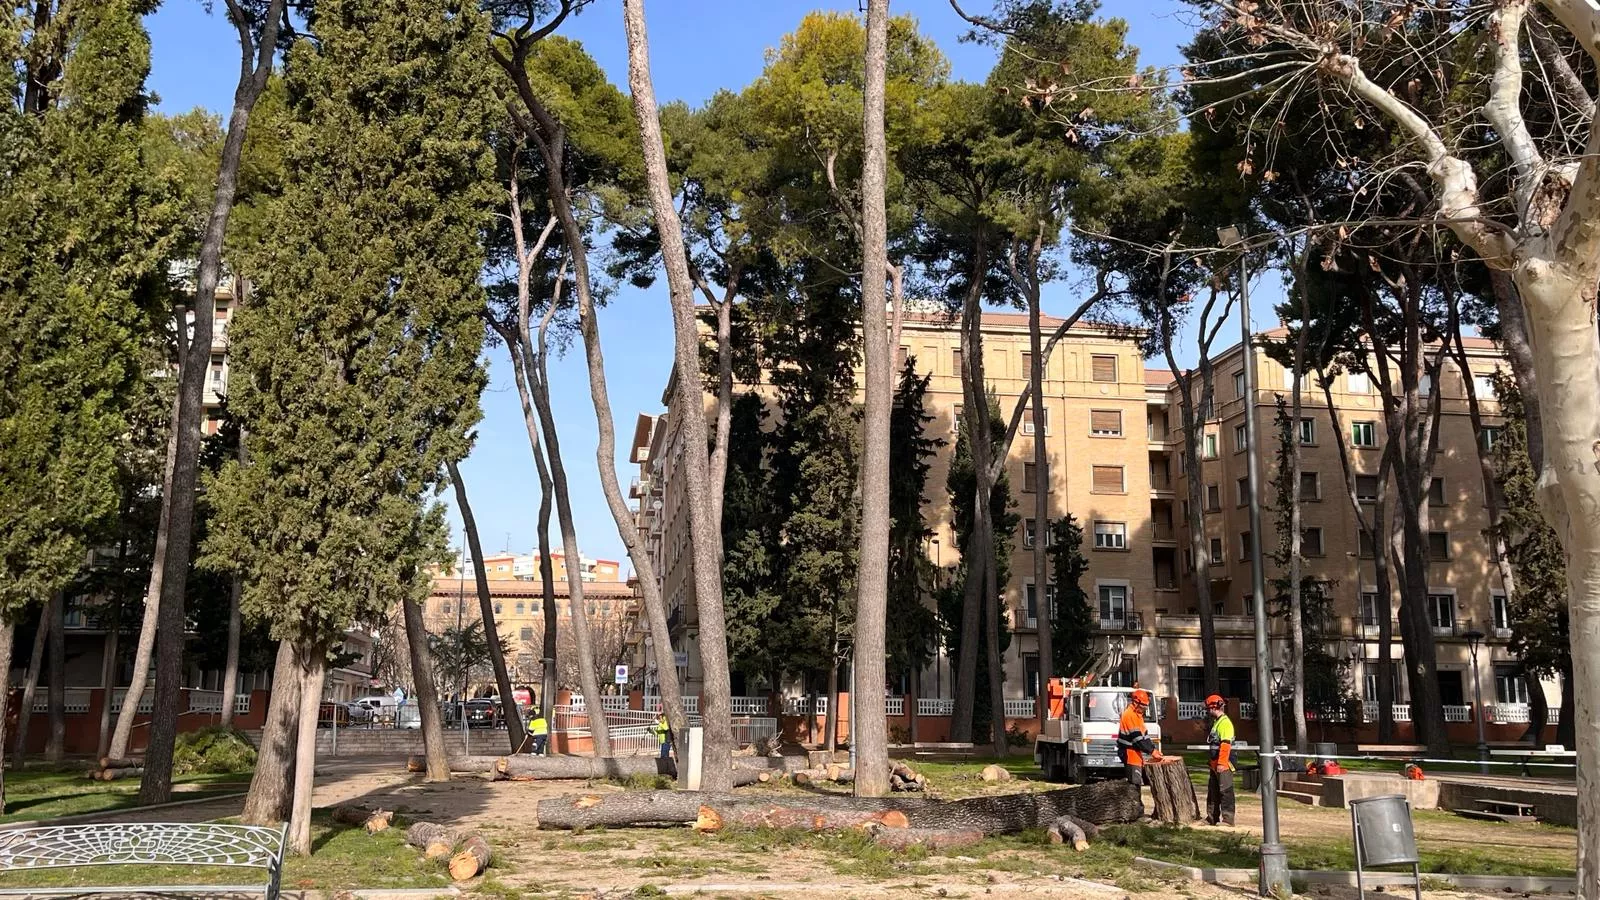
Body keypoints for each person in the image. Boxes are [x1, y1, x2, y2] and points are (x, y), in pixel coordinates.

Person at [1116, 689, 1161, 810]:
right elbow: (1137, 739)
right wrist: (1152, 752)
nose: (1144, 709)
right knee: (1134, 784)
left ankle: (1137, 810)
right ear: (1135, 702)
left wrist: (1153, 748)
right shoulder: (1129, 715)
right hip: (1129, 752)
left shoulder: (1137, 716)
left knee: (1137, 782)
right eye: (1143, 706)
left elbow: (1144, 736)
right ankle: (1135, 811)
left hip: (1135, 752)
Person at [1204, 694, 1236, 826]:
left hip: (1223, 763)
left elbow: (1225, 744)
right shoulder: (1217, 722)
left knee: (1225, 791)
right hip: (1215, 762)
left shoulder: (1225, 723)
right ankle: (1212, 818)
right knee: (1213, 791)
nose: (1207, 710)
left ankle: (1228, 820)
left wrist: (1222, 763)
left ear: (1213, 707)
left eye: (1208, 708)